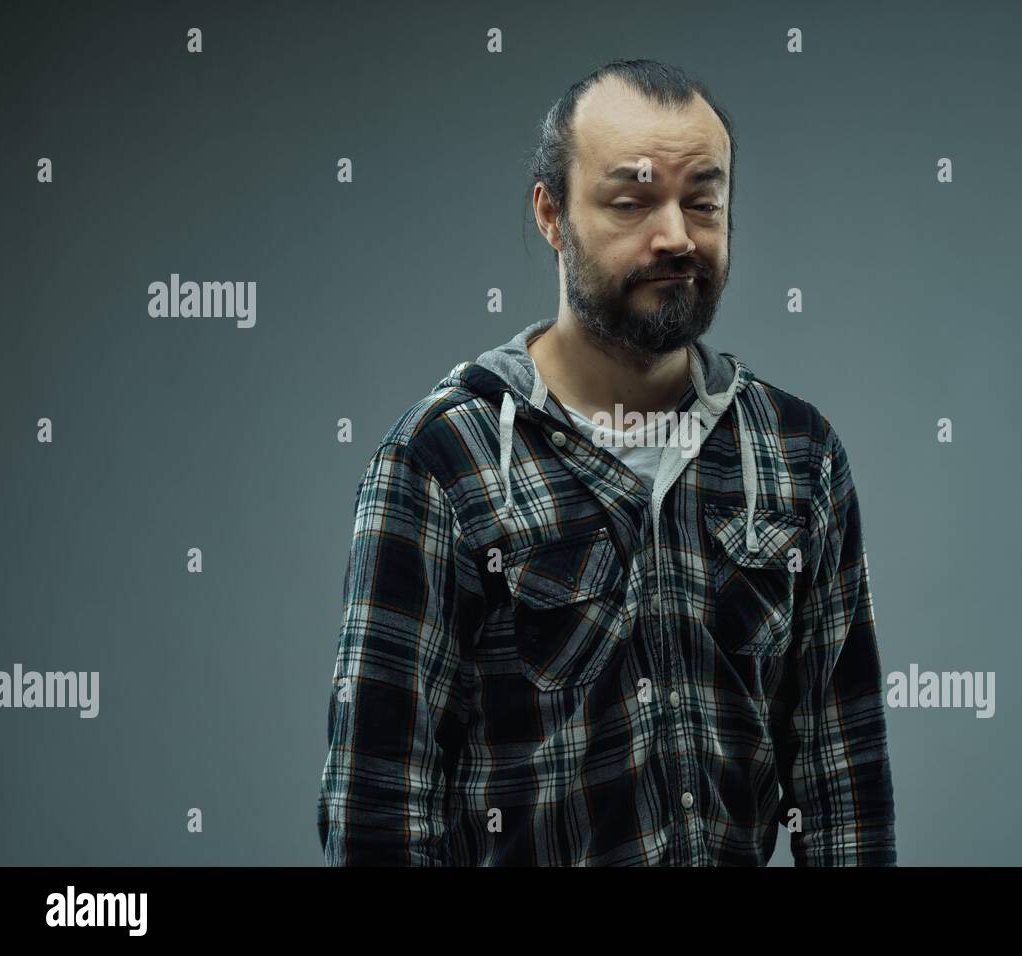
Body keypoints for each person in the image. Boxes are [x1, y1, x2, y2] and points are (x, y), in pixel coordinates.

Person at [317, 58, 896, 866]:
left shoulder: (798, 455)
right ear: (551, 215)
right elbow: (377, 813)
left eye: (704, 201)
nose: (676, 235)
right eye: (631, 201)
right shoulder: (443, 460)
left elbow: (845, 785)